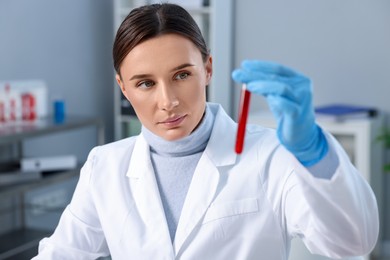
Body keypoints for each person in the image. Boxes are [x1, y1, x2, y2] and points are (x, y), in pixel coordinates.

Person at [33, 3, 379, 259]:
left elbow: (352, 243)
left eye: (182, 75)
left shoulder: (271, 156)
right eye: (145, 83)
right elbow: (62, 253)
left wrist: (315, 152)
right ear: (123, 87)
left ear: (208, 68)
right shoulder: (105, 166)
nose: (167, 101)